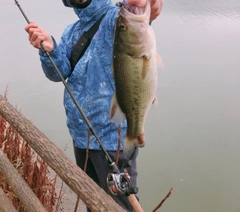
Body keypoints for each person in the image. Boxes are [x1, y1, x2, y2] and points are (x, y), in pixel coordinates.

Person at [25, 0, 163, 211]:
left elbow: (146, 9)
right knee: (94, 202)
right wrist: (49, 50)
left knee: (118, 207)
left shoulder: (117, 18)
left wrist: (151, 5)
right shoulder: (72, 30)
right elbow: (59, 73)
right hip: (81, 137)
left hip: (112, 142)